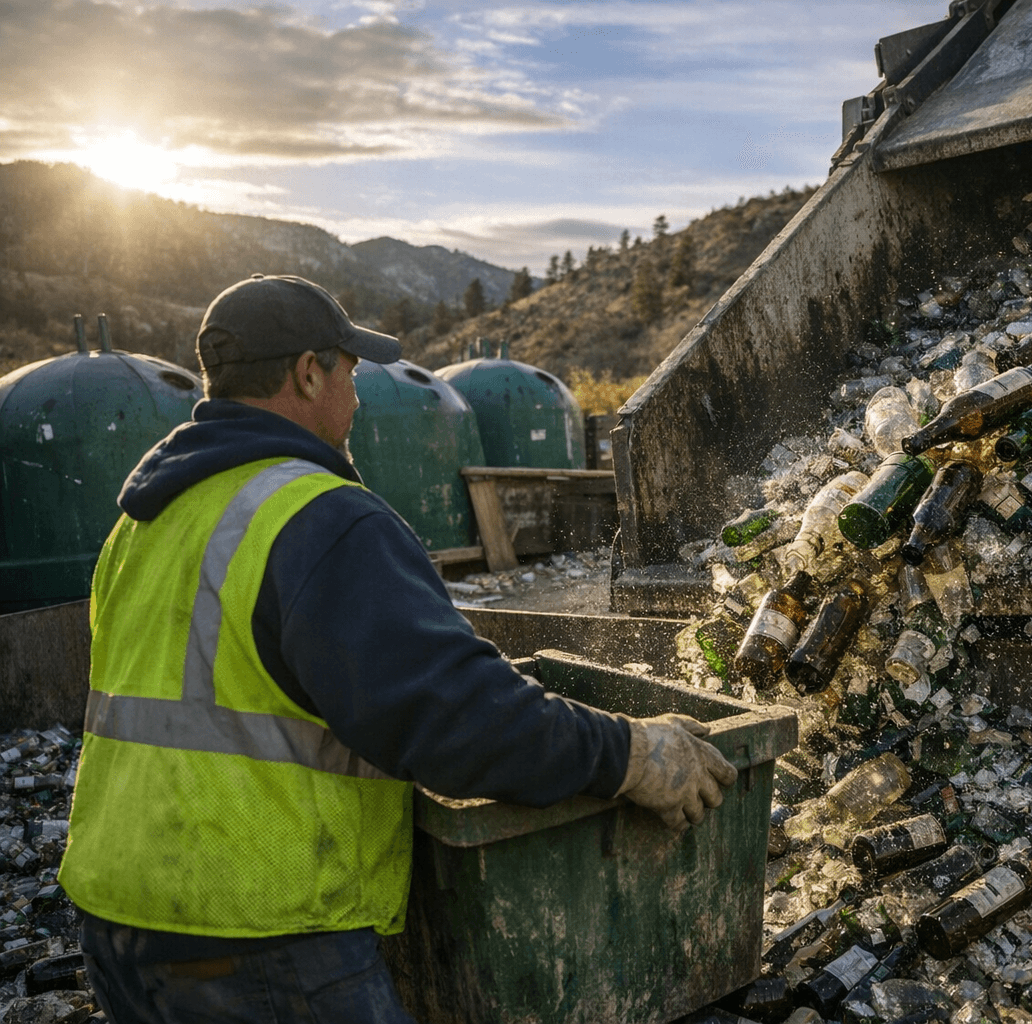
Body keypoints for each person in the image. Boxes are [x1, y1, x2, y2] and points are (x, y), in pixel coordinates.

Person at [58, 274, 738, 1023]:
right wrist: (632, 757)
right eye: (351, 370)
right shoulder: (318, 516)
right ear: (308, 372)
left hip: (115, 914)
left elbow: (241, 680)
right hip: (255, 932)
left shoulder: (145, 523)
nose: (359, 390)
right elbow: (455, 720)